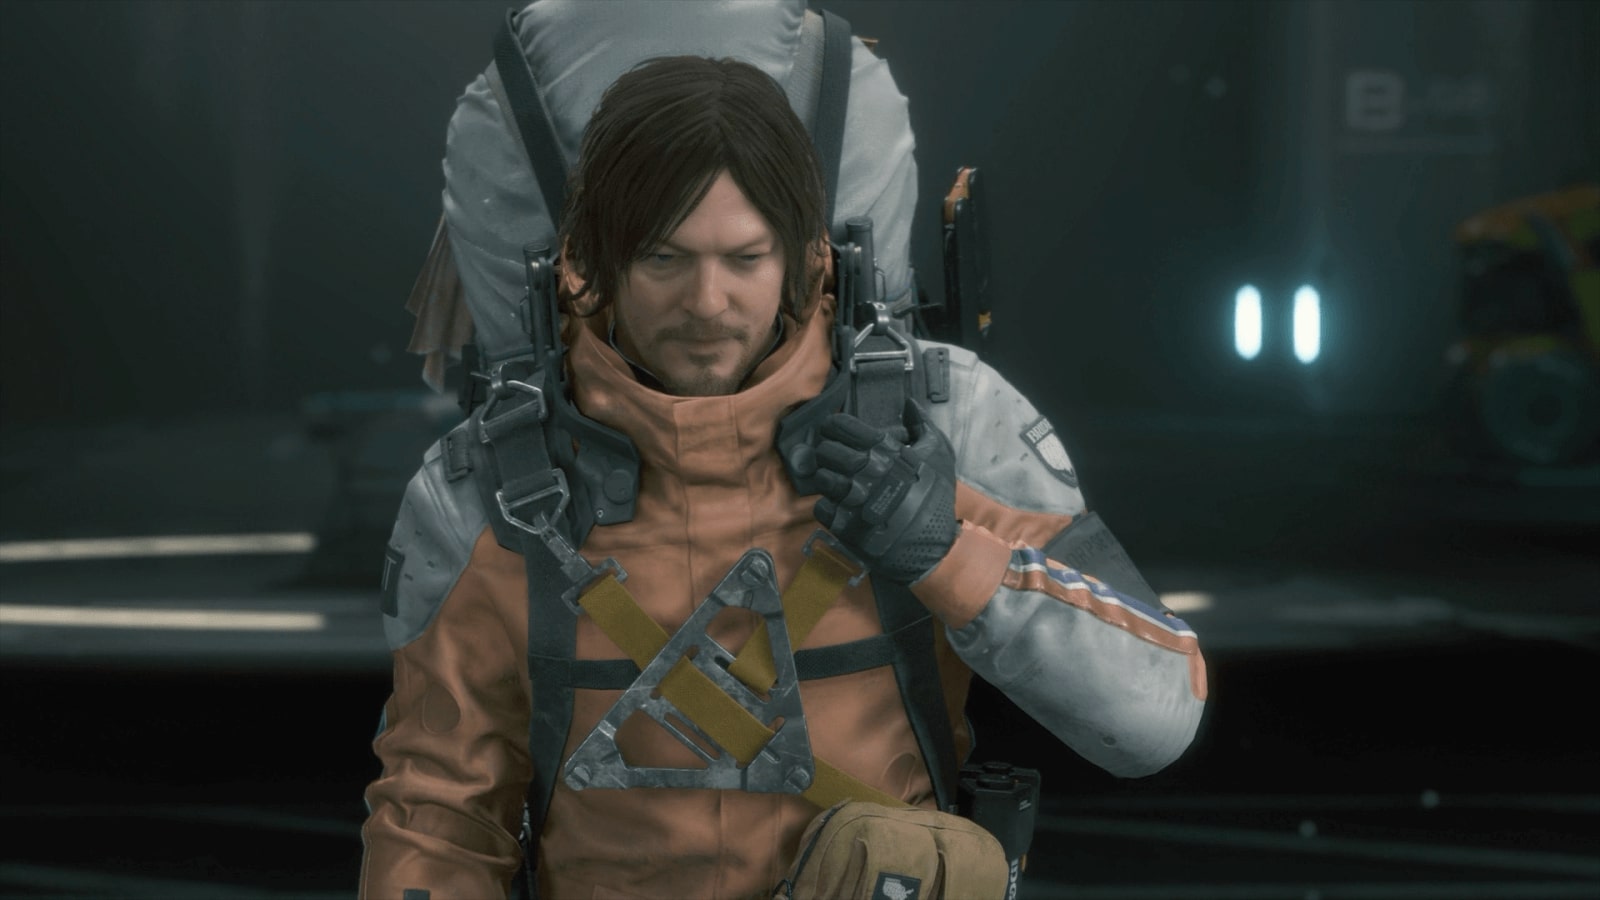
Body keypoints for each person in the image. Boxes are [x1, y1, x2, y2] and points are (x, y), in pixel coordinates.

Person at [360, 54, 1206, 899]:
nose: (707, 302)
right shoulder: (489, 484)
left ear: (808, 261)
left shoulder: (941, 421)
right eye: (664, 259)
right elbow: (438, 820)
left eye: (745, 258)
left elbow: (1155, 715)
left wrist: (945, 550)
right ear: (588, 265)